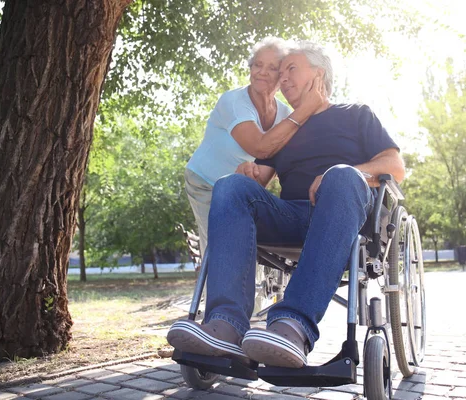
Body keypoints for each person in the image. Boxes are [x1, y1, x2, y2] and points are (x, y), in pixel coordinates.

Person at [168, 41, 405, 368]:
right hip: (292, 216)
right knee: (230, 186)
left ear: (318, 73)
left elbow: (395, 166)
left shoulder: (355, 114)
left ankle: (292, 326)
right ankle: (225, 325)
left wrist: (348, 173)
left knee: (340, 176)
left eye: (290, 69)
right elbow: (259, 181)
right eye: (281, 74)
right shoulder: (288, 128)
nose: (282, 79)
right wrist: (247, 173)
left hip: (343, 214)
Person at [184, 37, 324, 257]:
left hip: (240, 188)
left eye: (272, 68)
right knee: (219, 246)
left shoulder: (286, 115)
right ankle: (213, 288)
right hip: (206, 181)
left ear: (282, 76)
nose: (262, 72)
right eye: (258, 65)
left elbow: (273, 162)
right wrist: (305, 109)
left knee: (245, 244)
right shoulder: (234, 102)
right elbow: (260, 148)